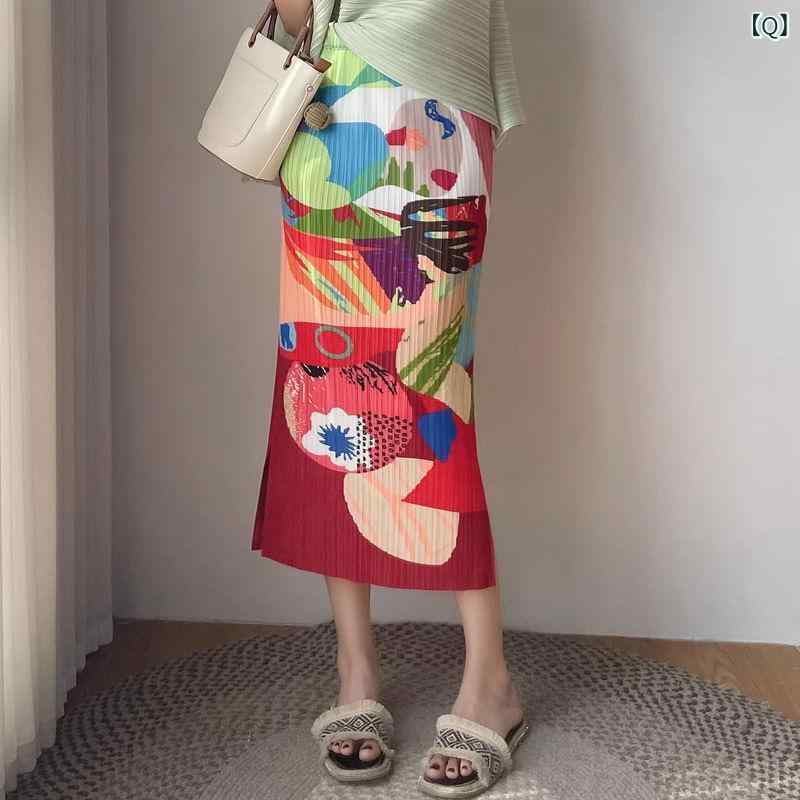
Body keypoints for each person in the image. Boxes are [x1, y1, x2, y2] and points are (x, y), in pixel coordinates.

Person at [251, 0, 528, 794]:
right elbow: (300, 11)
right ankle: (356, 668)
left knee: (435, 397)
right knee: (328, 397)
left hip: (437, 110)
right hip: (330, 108)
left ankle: (490, 680)